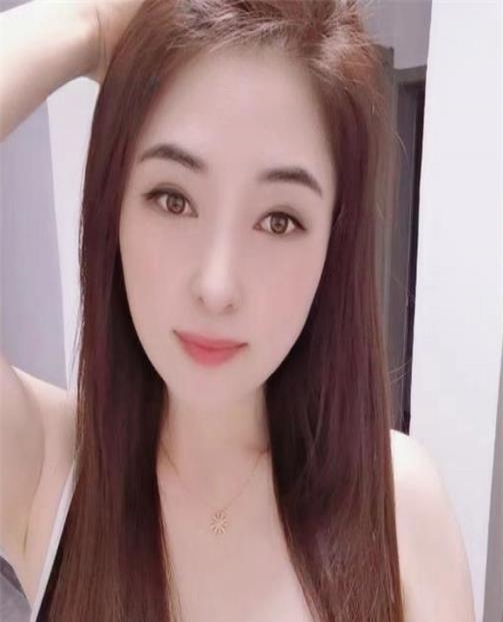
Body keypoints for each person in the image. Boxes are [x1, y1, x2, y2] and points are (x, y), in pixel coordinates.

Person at [0, 1, 476, 621]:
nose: (217, 286)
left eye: (279, 220)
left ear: (333, 245)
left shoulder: (400, 511)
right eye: (173, 199)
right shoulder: (51, 472)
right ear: (113, 206)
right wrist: (85, 24)